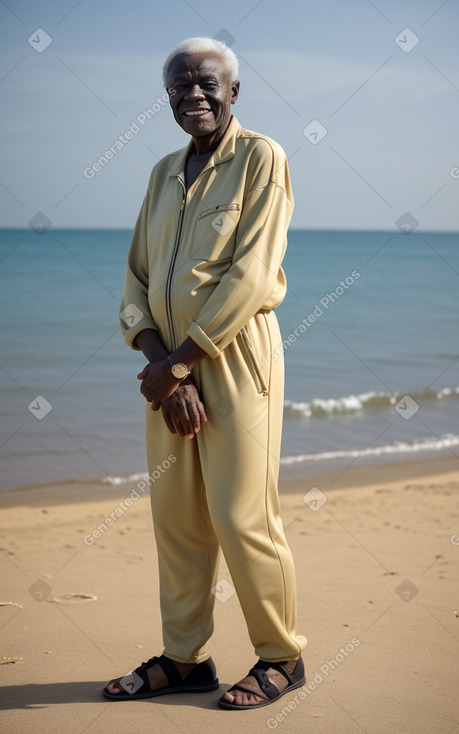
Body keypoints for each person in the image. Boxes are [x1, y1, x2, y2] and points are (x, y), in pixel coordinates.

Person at [103, 36, 306, 710]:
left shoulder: (261, 158)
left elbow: (250, 275)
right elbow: (135, 277)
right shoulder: (162, 172)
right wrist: (160, 363)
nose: (193, 94)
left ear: (233, 92)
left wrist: (184, 361)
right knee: (178, 517)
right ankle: (184, 658)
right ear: (167, 98)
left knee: (242, 513)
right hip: (167, 369)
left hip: (237, 357)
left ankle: (280, 657)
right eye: (179, 86)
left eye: (206, 83)